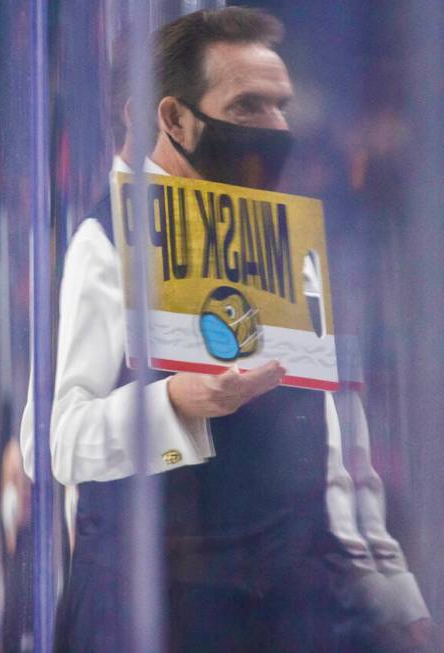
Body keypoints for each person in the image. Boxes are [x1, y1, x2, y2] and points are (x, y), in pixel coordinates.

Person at [27, 7, 431, 652]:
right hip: (153, 609)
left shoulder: (285, 240)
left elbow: (333, 448)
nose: (277, 128)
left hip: (289, 609)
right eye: (249, 107)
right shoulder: (102, 241)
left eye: (281, 106)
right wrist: (174, 405)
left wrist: (392, 595)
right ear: (171, 118)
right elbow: (57, 444)